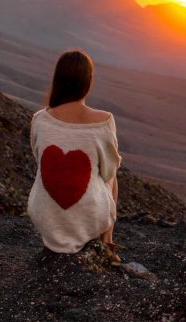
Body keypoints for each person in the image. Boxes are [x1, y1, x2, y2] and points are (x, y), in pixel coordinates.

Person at [27, 49, 123, 262]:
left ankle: (57, 231)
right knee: (111, 174)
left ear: (57, 80)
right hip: (92, 217)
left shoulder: (40, 120)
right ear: (88, 81)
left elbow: (39, 159)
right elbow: (108, 171)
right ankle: (107, 241)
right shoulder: (104, 121)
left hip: (43, 214)